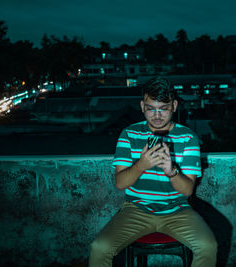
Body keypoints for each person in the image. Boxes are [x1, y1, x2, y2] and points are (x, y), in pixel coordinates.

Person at [89, 77, 217, 266]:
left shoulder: (187, 138)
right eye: (151, 108)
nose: (157, 116)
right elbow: (120, 183)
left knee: (208, 246)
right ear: (142, 106)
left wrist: (171, 170)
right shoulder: (129, 134)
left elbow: (187, 190)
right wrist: (142, 165)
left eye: (163, 109)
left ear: (174, 106)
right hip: (136, 209)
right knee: (99, 248)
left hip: (177, 210)